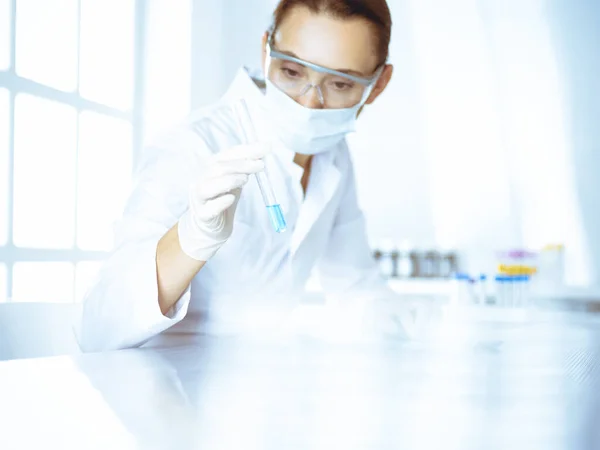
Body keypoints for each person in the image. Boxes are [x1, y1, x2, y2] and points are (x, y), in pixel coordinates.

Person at [79, 0, 410, 351]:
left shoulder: (334, 156)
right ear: (266, 50)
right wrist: (191, 239)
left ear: (378, 85)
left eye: (341, 84)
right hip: (164, 385)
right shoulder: (195, 145)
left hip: (259, 387)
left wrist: (420, 332)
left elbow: (356, 287)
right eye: (292, 72)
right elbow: (99, 327)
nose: (309, 104)